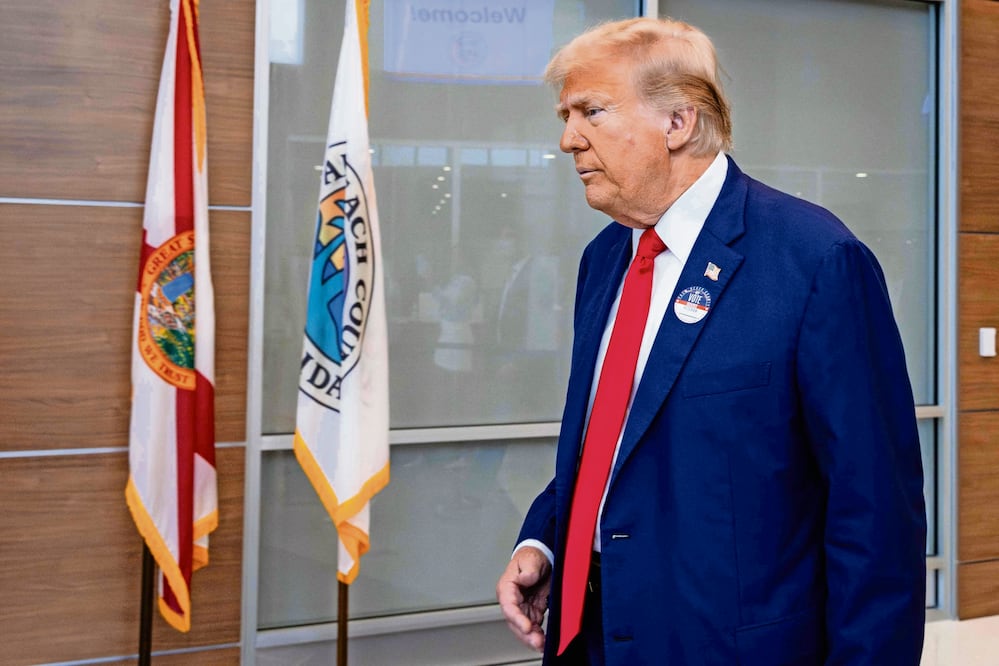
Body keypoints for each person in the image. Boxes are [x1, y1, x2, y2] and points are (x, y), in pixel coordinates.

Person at [495, 16, 926, 666]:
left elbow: (875, 514)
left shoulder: (815, 261)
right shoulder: (604, 260)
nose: (567, 139)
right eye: (566, 115)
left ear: (678, 121)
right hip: (591, 636)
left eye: (591, 111)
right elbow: (609, 442)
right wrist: (544, 542)